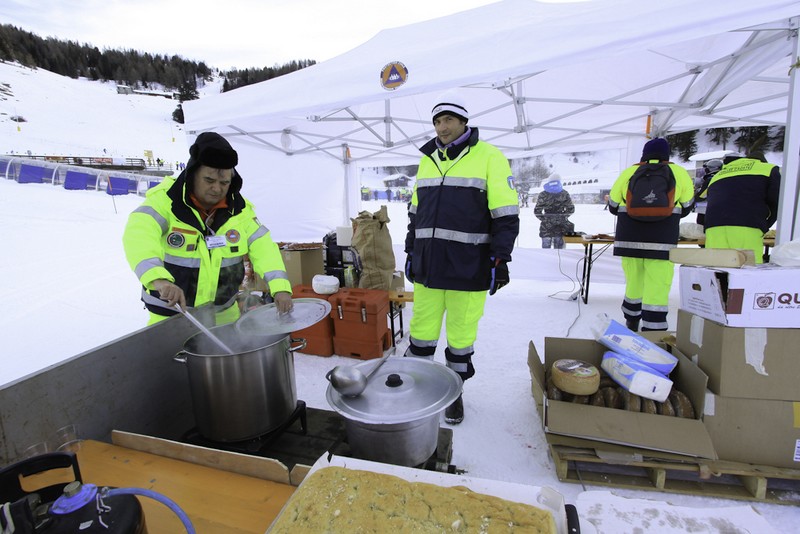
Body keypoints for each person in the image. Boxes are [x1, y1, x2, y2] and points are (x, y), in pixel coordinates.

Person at [404, 90, 520, 425]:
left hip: (468, 266)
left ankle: (454, 394)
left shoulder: (489, 156)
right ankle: (422, 389)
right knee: (421, 333)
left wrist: (501, 259)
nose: (442, 127)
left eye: (449, 120)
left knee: (460, 336)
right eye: (438, 121)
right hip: (427, 264)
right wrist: (411, 250)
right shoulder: (428, 159)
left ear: (464, 122)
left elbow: (506, 214)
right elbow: (415, 213)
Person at [123, 132, 293, 325]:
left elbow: (264, 248)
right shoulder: (164, 202)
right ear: (192, 174)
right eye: (209, 180)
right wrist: (158, 279)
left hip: (223, 314)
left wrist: (280, 287)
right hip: (172, 313)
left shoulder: (240, 210)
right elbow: (138, 237)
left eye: (224, 183)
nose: (217, 189)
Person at [608, 138, 694, 331]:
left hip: (629, 240)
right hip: (662, 241)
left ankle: (631, 320)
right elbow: (688, 205)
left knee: (634, 282)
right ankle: (653, 330)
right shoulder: (678, 172)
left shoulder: (629, 172)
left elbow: (613, 205)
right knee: (658, 285)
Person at [702, 151, 780, 264]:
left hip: (713, 227)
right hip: (746, 225)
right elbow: (777, 201)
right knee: (746, 271)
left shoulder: (719, 174)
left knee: (717, 270)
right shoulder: (768, 169)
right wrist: (764, 225)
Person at [534, 174, 574, 248]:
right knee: (559, 251)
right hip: (560, 226)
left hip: (546, 226)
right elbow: (571, 209)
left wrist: (545, 219)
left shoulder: (543, 194)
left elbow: (537, 211)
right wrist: (563, 217)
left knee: (546, 250)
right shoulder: (564, 193)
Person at [693, 158, 722, 226]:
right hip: (719, 209)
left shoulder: (711, 179)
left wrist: (695, 194)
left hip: (707, 210)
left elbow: (702, 195)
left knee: (702, 226)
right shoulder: (721, 177)